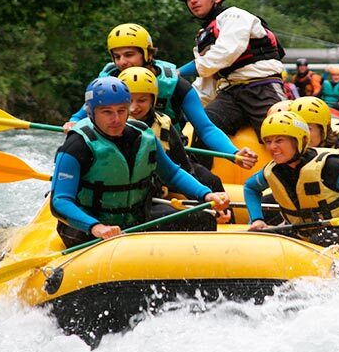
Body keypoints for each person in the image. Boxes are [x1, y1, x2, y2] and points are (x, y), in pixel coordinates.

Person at [50, 76, 230, 247]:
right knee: (110, 242)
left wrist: (206, 194)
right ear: (91, 112)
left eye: (122, 110)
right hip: (87, 227)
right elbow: (60, 202)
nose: (116, 119)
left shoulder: (143, 135)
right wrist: (96, 227)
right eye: (107, 112)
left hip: (135, 220)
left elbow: (172, 173)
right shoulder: (76, 145)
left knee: (203, 219)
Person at [63, 23, 257, 170]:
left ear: (147, 53)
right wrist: (72, 122)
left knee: (211, 183)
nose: (122, 62)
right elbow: (82, 115)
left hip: (167, 155)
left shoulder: (176, 86)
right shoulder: (107, 83)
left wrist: (233, 154)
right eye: (117, 56)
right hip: (113, 155)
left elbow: (205, 128)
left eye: (129, 54)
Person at [243, 111, 339, 247]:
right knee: (258, 235)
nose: (272, 147)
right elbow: (250, 188)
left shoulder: (331, 165)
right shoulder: (272, 170)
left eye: (279, 140)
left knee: (320, 237)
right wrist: (257, 219)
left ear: (299, 140)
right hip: (303, 233)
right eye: (268, 142)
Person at [176, 0, 287, 139]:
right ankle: (197, 166)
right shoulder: (203, 36)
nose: (193, 1)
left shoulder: (234, 16)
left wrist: (178, 72)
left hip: (261, 88)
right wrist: (184, 105)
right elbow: (206, 83)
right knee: (202, 127)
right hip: (229, 95)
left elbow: (224, 53)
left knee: (281, 134)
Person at [117, 67, 232, 224]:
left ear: (153, 100)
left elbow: (180, 170)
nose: (133, 107)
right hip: (122, 200)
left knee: (209, 182)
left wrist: (206, 201)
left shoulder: (162, 126)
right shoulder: (108, 129)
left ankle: (225, 219)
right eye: (129, 101)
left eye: (142, 100)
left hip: (155, 188)